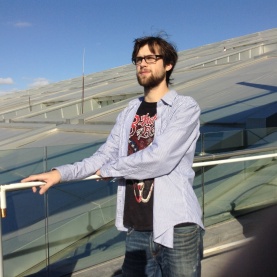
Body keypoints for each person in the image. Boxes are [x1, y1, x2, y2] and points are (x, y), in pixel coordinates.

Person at [22, 35, 204, 277]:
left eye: (151, 57)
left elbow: (160, 157)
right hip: (136, 229)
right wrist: (60, 173)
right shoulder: (129, 111)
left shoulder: (185, 107)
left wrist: (110, 170)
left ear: (168, 64)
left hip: (177, 226)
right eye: (138, 59)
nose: (143, 63)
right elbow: (104, 155)